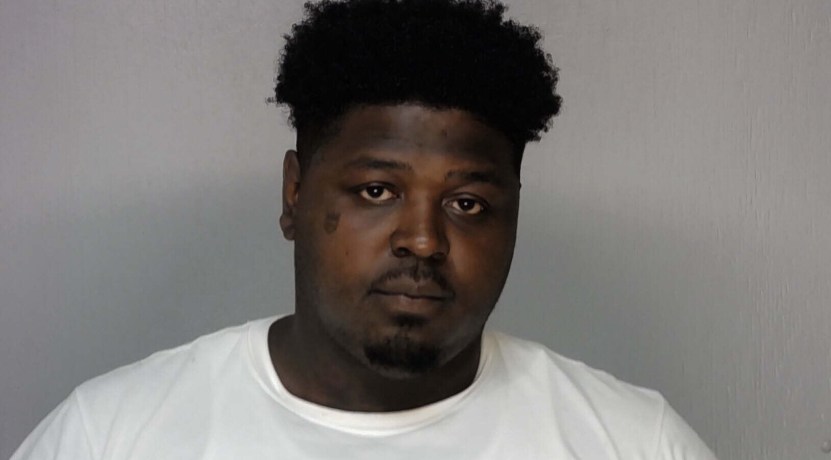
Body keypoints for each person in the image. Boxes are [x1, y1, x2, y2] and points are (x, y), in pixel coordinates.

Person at [12, 0, 716, 458]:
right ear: (294, 194)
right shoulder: (109, 436)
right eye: (377, 191)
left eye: (468, 203)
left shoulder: (634, 443)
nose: (423, 240)